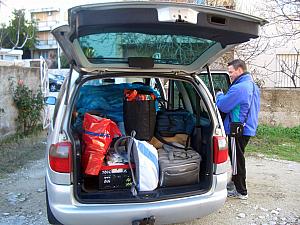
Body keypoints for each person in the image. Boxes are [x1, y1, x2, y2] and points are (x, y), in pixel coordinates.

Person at [216, 59, 260, 200]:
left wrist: (218, 95)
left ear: (239, 70)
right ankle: (235, 184)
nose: (230, 75)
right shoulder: (253, 86)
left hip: (237, 129)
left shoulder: (239, 88)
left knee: (236, 160)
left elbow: (223, 105)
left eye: (231, 72)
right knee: (239, 158)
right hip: (247, 128)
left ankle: (240, 190)